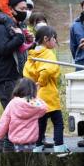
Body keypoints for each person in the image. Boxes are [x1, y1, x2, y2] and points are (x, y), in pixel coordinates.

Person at [24, 25, 68, 154]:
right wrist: (41, 82)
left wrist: (35, 83)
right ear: (46, 39)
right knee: (58, 122)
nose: (55, 41)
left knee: (40, 123)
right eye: (54, 38)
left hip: (37, 95)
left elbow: (27, 72)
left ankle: (37, 147)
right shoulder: (48, 53)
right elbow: (48, 69)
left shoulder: (32, 53)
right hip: (48, 94)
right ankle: (59, 146)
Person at [0, 0, 30, 113]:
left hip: (16, 77)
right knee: (13, 117)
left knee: (18, 117)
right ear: (11, 9)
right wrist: (19, 38)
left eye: (26, 9)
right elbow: (4, 50)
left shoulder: (16, 27)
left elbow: (20, 50)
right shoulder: (0, 29)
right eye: (22, 9)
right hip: (5, 80)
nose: (25, 12)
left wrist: (29, 41)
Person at [0, 78, 48, 152]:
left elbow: (4, 121)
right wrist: (36, 97)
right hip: (31, 140)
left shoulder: (13, 103)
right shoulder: (35, 104)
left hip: (17, 140)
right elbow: (45, 108)